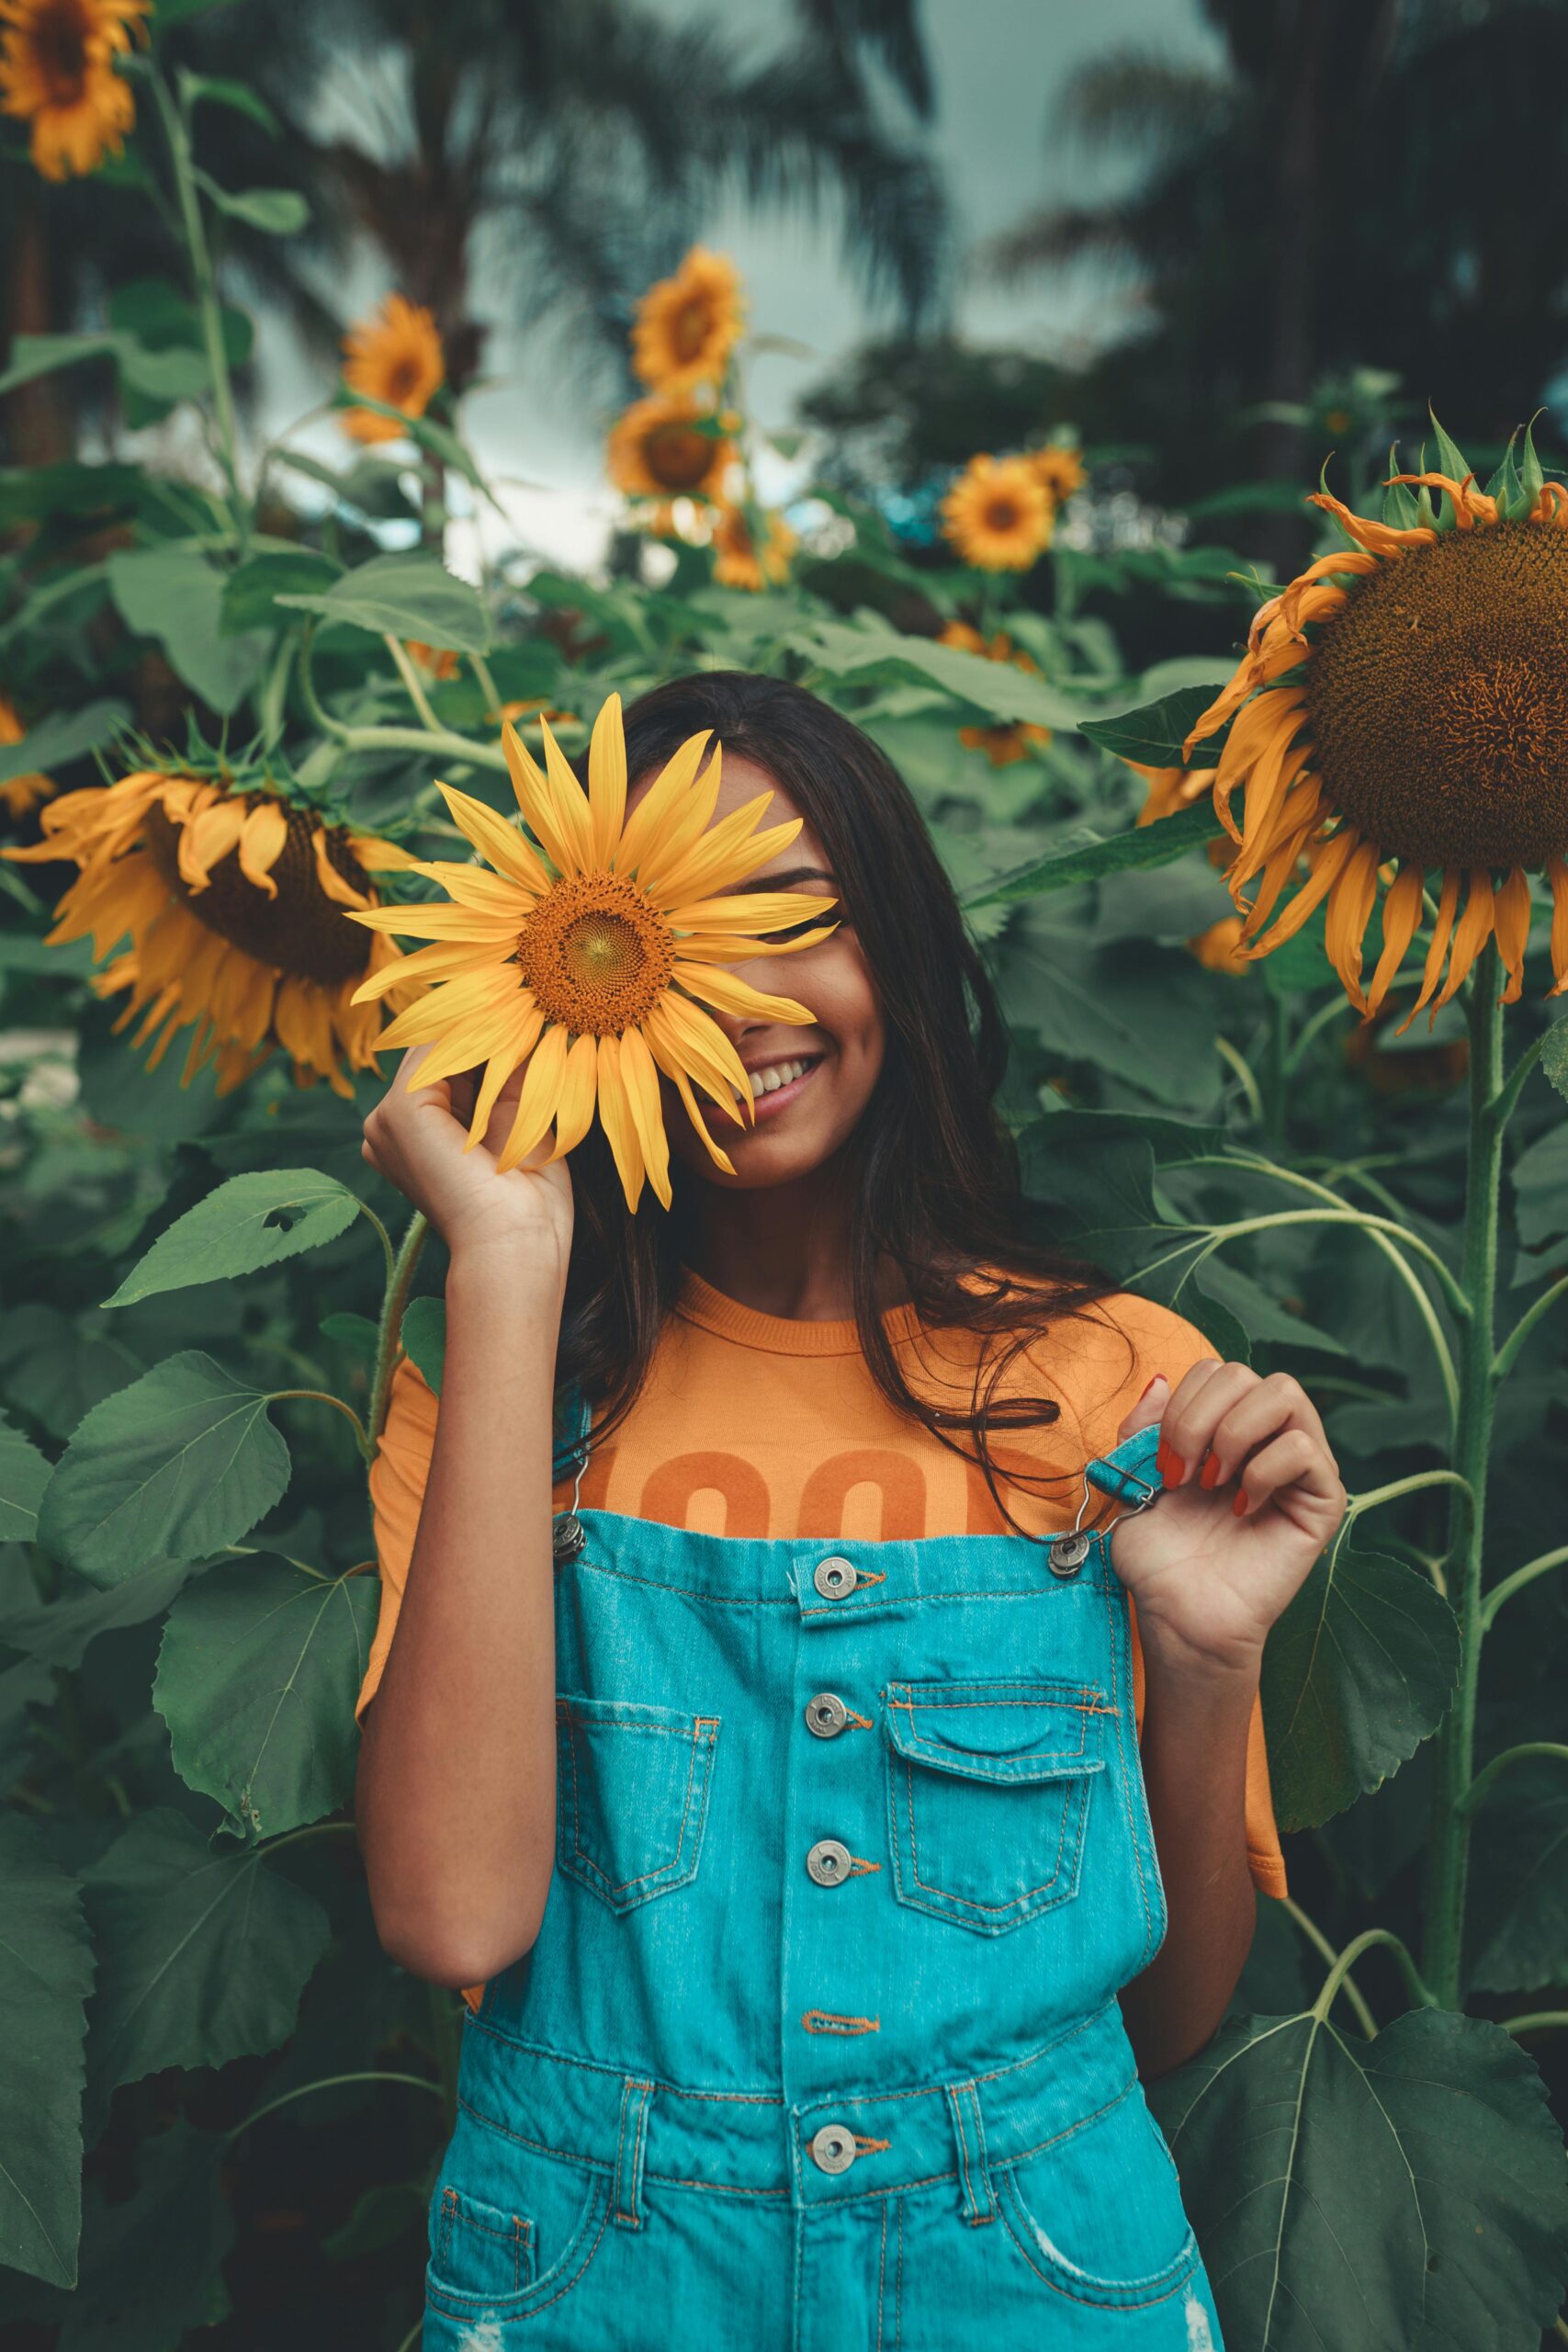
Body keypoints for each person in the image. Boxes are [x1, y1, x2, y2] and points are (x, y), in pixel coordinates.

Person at [353, 672, 1346, 2350]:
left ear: (900, 939)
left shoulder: (1114, 1384)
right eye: (673, 932)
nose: (738, 999)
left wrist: (1206, 1658)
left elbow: (1167, 2018)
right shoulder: (504, 1392)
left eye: (797, 918)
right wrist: (507, 1268)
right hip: (609, 2278)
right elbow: (452, 1917)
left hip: (1030, 2272)